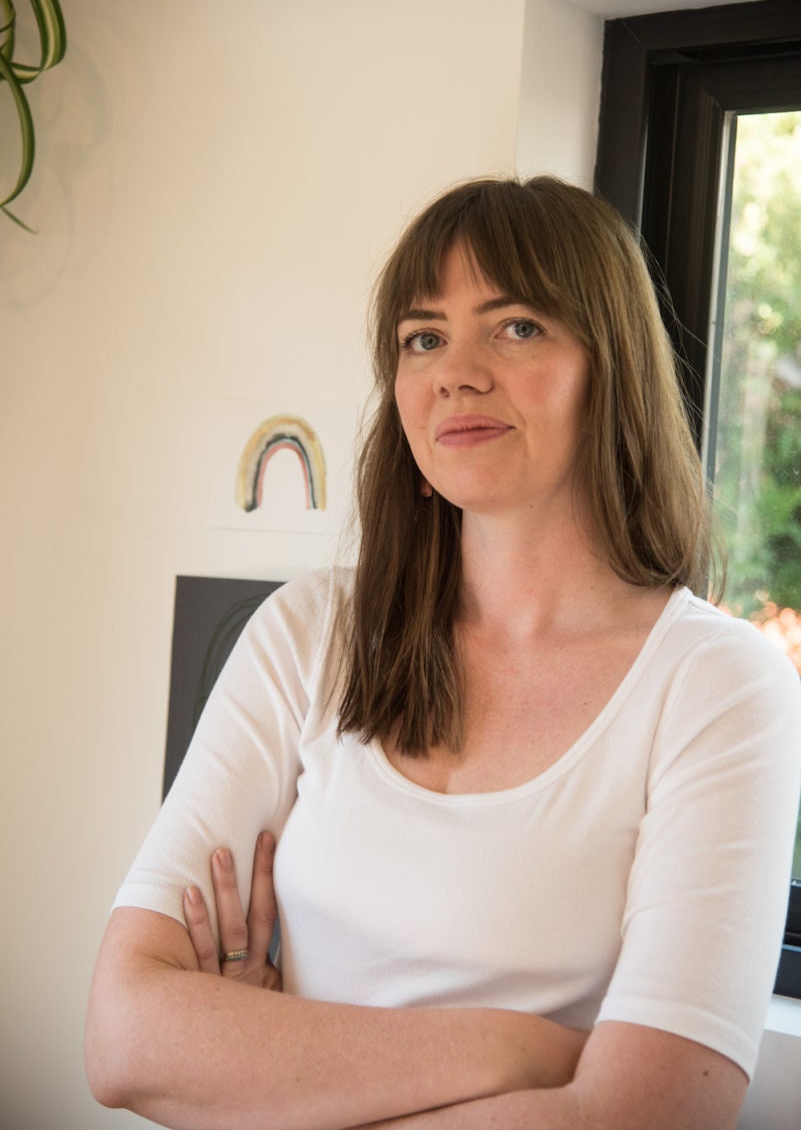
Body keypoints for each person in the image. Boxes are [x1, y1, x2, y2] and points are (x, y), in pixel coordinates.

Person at [85, 175, 801, 1130]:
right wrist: (522, 1052)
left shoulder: (716, 686)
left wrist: (264, 1069)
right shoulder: (309, 633)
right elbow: (125, 1038)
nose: (455, 372)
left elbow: (645, 1113)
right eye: (423, 338)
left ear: (613, 366)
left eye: (514, 327)